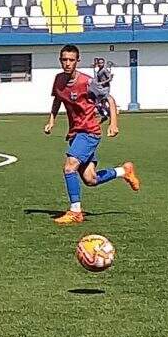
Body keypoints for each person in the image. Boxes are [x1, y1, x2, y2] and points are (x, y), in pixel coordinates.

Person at [44, 44, 140, 225]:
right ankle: (124, 171)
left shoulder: (87, 83)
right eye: (64, 60)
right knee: (90, 179)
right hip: (75, 133)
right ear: (60, 60)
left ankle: (75, 211)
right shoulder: (58, 80)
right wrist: (51, 121)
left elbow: (109, 99)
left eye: (71, 60)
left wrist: (113, 124)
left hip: (89, 132)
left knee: (69, 167)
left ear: (77, 61)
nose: (67, 63)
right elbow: (57, 99)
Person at [89, 57, 114, 122]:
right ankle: (105, 115)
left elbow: (109, 79)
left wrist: (102, 83)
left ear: (104, 63)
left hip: (105, 89)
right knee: (100, 104)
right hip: (100, 88)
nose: (100, 64)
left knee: (99, 103)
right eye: (99, 63)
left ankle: (109, 115)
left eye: (101, 63)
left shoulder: (104, 70)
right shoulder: (99, 71)